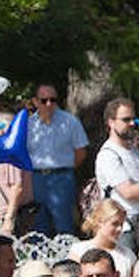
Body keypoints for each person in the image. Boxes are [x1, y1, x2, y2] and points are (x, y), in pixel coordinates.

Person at [94, 98, 139, 247]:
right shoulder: (109, 154)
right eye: (126, 119)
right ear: (111, 122)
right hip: (126, 227)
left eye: (133, 119)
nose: (132, 124)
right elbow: (128, 192)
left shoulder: (134, 151)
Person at [25, 84, 90, 236]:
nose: (49, 104)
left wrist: (65, 169)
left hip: (62, 178)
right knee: (37, 225)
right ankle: (38, 259)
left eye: (53, 100)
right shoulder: (28, 124)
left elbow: (81, 152)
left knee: (64, 225)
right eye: (44, 100)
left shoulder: (70, 122)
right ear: (35, 102)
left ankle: (67, 257)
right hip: (36, 178)